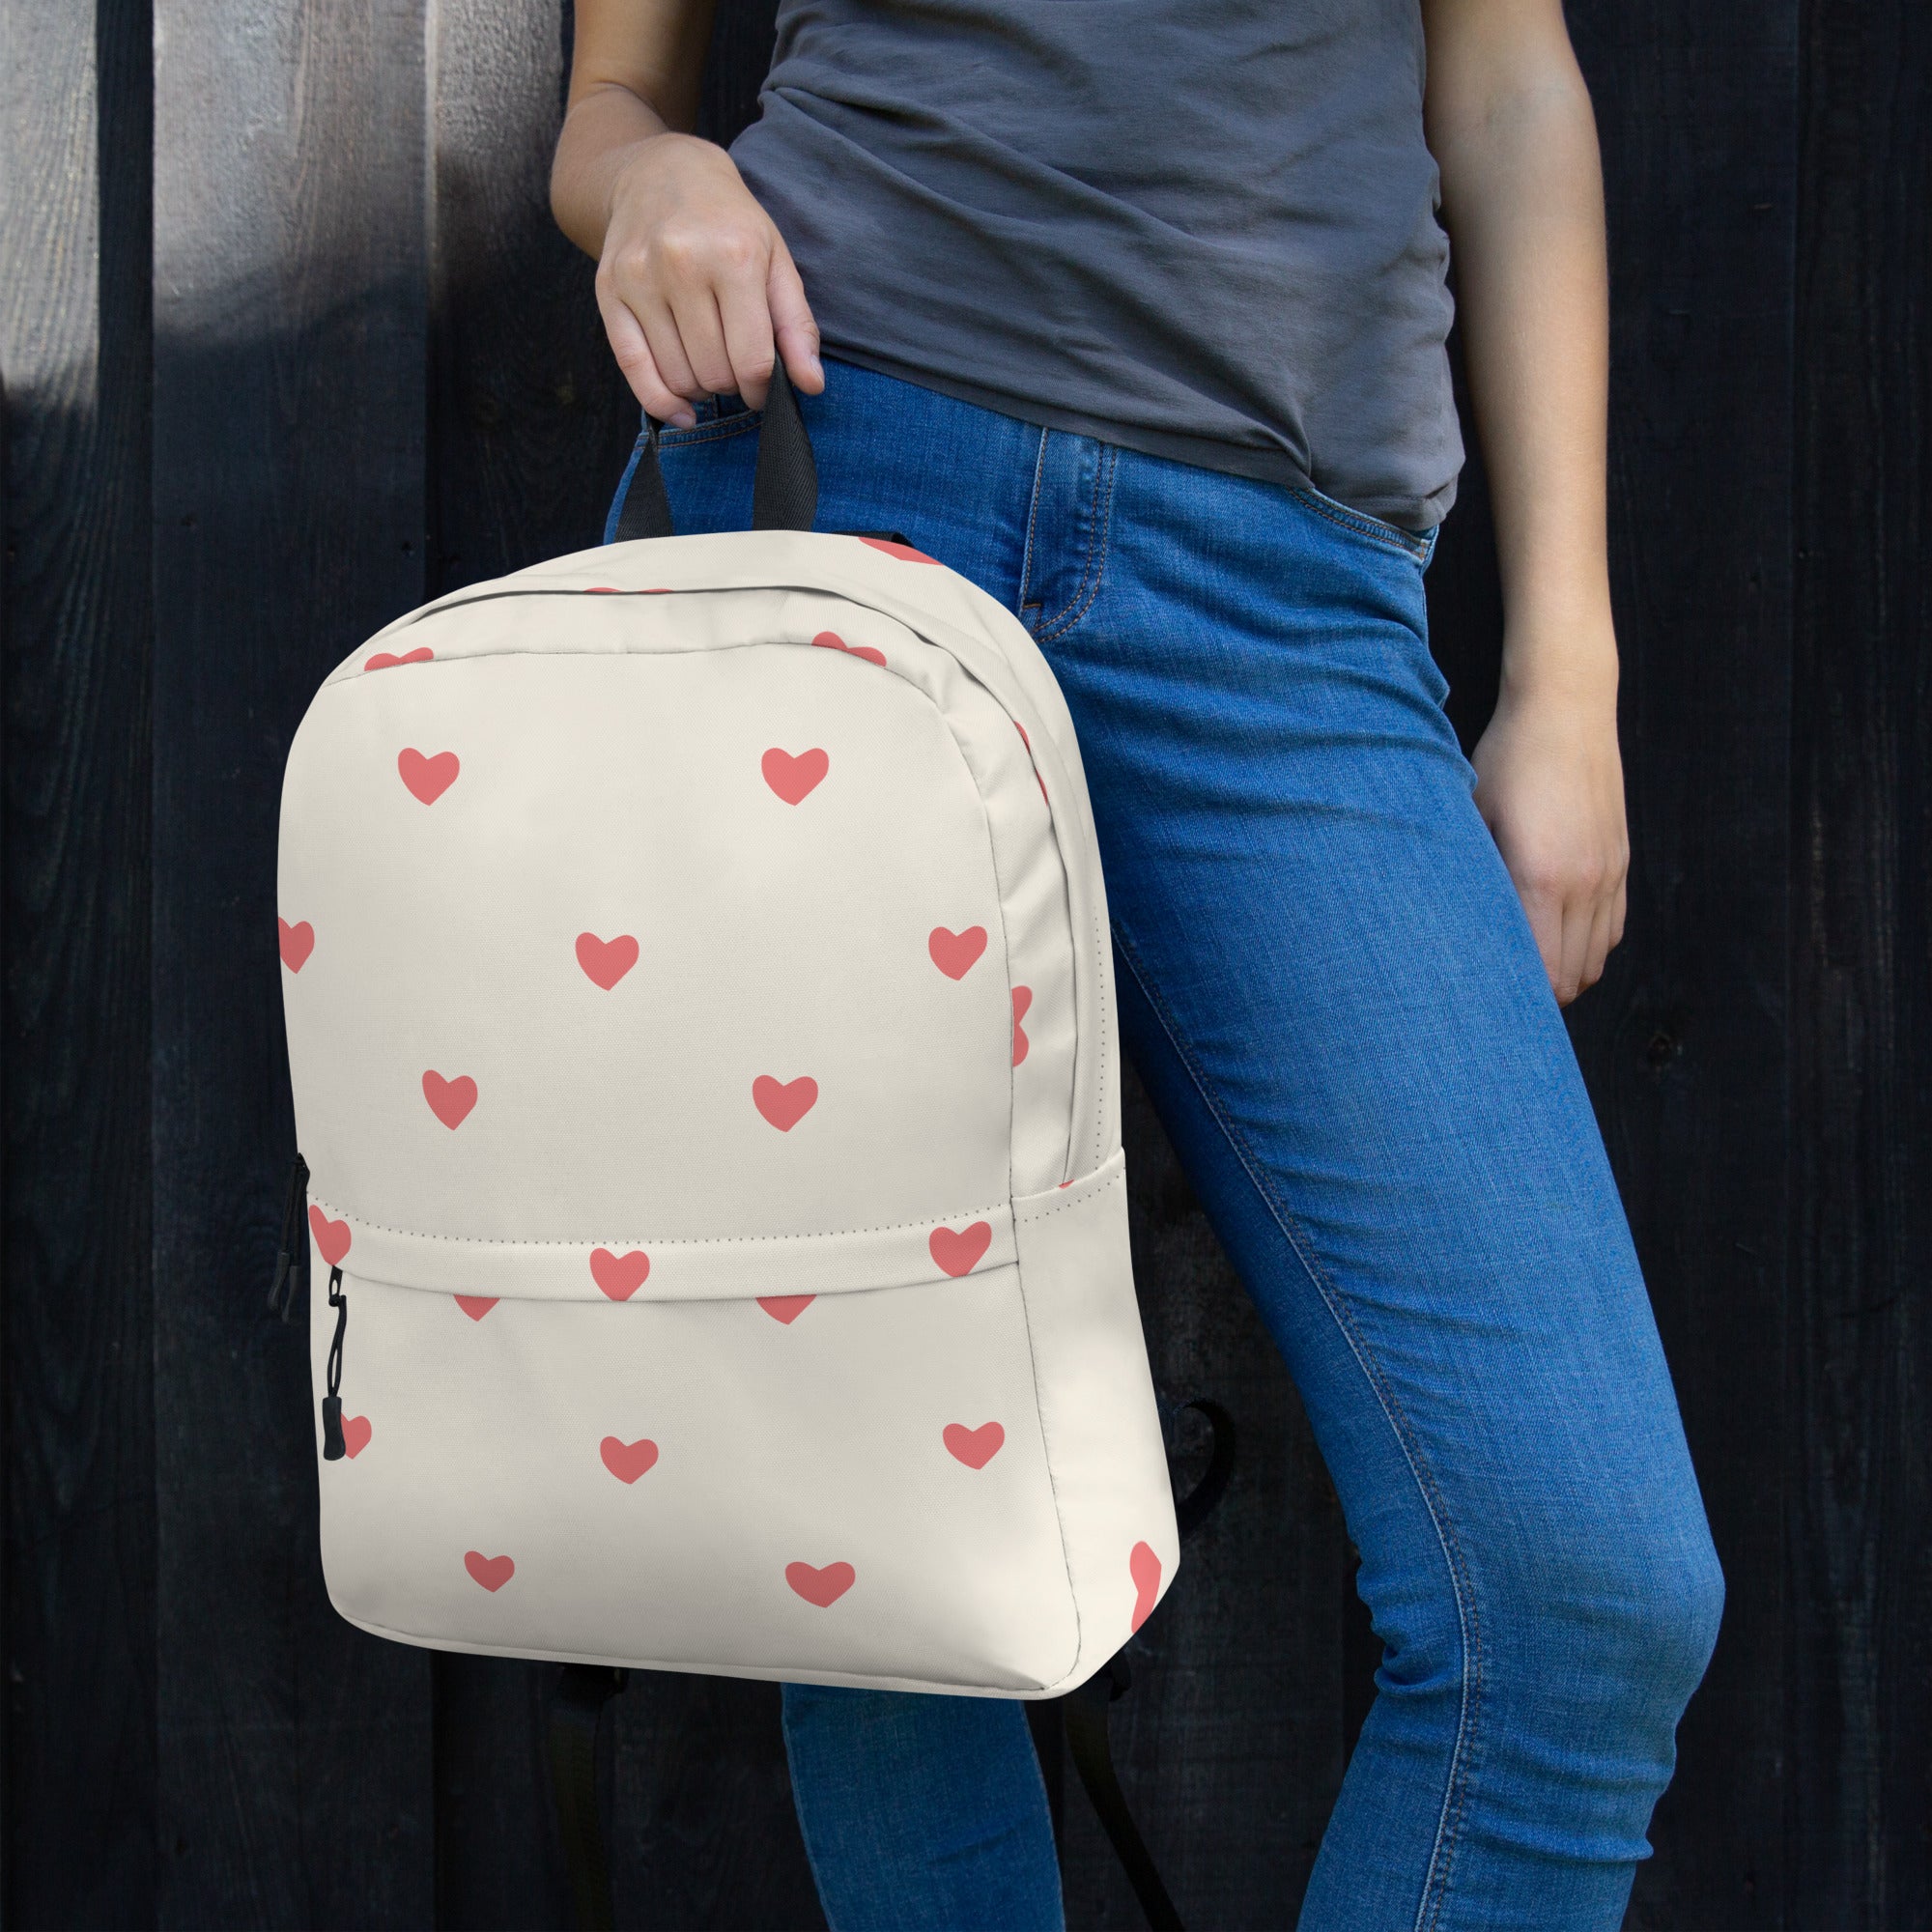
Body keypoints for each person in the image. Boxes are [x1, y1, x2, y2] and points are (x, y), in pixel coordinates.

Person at [550, 2, 1725, 1925]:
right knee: (885, 1551)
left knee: (1580, 1594)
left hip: (1292, 613)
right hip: (851, 478)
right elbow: (610, 107)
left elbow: (1512, 80)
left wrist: (1569, 678)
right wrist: (652, 181)